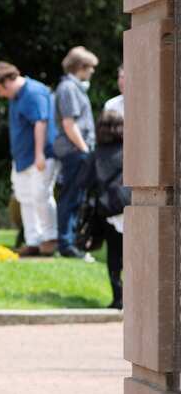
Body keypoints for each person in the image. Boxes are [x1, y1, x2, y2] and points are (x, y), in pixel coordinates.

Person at [0, 61, 59, 256]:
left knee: (40, 195)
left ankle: (50, 238)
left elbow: (40, 123)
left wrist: (39, 155)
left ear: (8, 82)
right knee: (25, 198)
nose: (0, 94)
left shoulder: (34, 92)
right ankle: (33, 240)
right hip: (22, 158)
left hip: (39, 157)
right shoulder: (16, 97)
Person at [76, 111, 128, 308]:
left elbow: (84, 183)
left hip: (109, 210)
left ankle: (119, 297)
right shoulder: (132, 151)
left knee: (114, 255)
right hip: (134, 206)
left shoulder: (96, 155)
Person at [53, 46, 99, 259]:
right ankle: (66, 244)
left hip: (77, 149)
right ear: (80, 67)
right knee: (71, 197)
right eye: (90, 68)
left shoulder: (74, 88)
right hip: (75, 150)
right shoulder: (69, 89)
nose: (92, 72)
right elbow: (70, 124)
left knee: (76, 197)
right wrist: (84, 150)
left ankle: (70, 242)